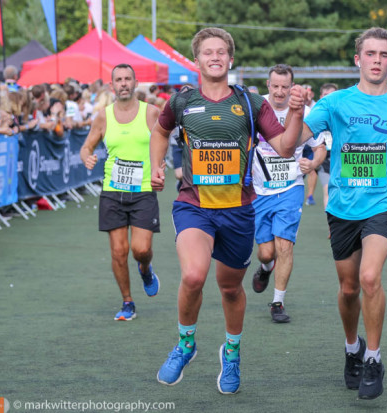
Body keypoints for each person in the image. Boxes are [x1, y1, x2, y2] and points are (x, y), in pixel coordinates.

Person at [149, 27, 305, 395]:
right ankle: (186, 344)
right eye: (208, 52)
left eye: (222, 52)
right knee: (192, 276)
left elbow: (284, 146)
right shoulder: (181, 102)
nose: (215, 57)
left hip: (238, 210)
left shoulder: (250, 103)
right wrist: (157, 166)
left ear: (230, 60)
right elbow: (160, 132)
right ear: (197, 60)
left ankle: (231, 353)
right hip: (194, 206)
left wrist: (295, 113)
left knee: (231, 288)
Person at [296, 27, 387, 400]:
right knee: (348, 289)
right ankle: (353, 349)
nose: (377, 61)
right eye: (370, 54)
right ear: (357, 59)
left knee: (369, 277)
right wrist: (297, 109)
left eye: (383, 55)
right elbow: (298, 135)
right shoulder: (336, 104)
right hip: (343, 206)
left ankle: (374, 359)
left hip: (385, 203)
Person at [80, 63, 161, 321]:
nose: (124, 83)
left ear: (135, 83)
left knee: (141, 249)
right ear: (112, 85)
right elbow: (86, 147)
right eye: (119, 79)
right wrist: (87, 157)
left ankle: (145, 269)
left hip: (143, 191)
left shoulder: (151, 113)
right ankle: (127, 302)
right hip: (113, 191)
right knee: (118, 251)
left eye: (128, 79)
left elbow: (165, 140)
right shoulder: (103, 116)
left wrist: (159, 167)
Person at [250, 64, 325, 323]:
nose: (280, 92)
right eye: (275, 86)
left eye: (285, 86)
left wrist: (313, 164)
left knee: (285, 246)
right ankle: (265, 268)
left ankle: (277, 302)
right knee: (266, 252)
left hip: (291, 188)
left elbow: (320, 147)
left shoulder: (306, 112)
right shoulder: (255, 106)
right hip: (259, 191)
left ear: (292, 87)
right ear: (268, 86)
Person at [315, 83, 338, 210]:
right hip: (325, 159)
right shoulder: (316, 114)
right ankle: (332, 226)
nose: (329, 98)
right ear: (321, 96)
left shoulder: (344, 114)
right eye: (325, 95)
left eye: (332, 95)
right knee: (328, 191)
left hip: (343, 159)